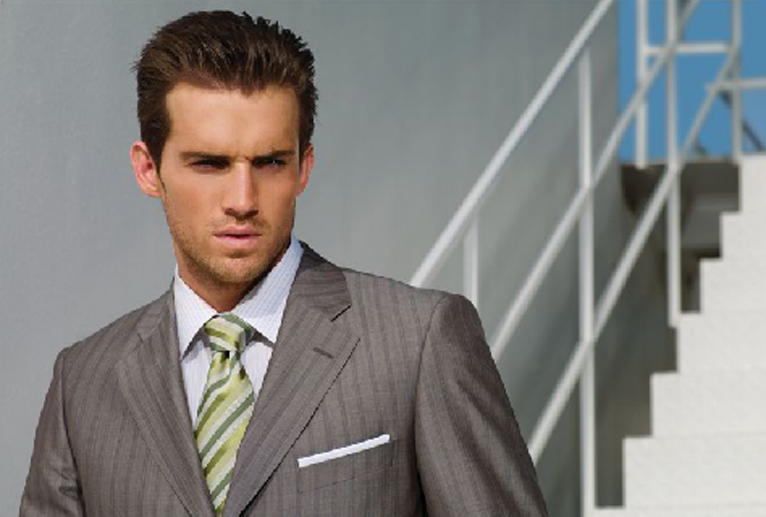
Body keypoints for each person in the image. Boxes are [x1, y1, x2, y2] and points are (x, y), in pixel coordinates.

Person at [20, 10, 547, 517]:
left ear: (303, 168)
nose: (243, 200)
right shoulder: (82, 383)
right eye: (210, 164)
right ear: (148, 170)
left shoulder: (419, 341)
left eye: (270, 162)